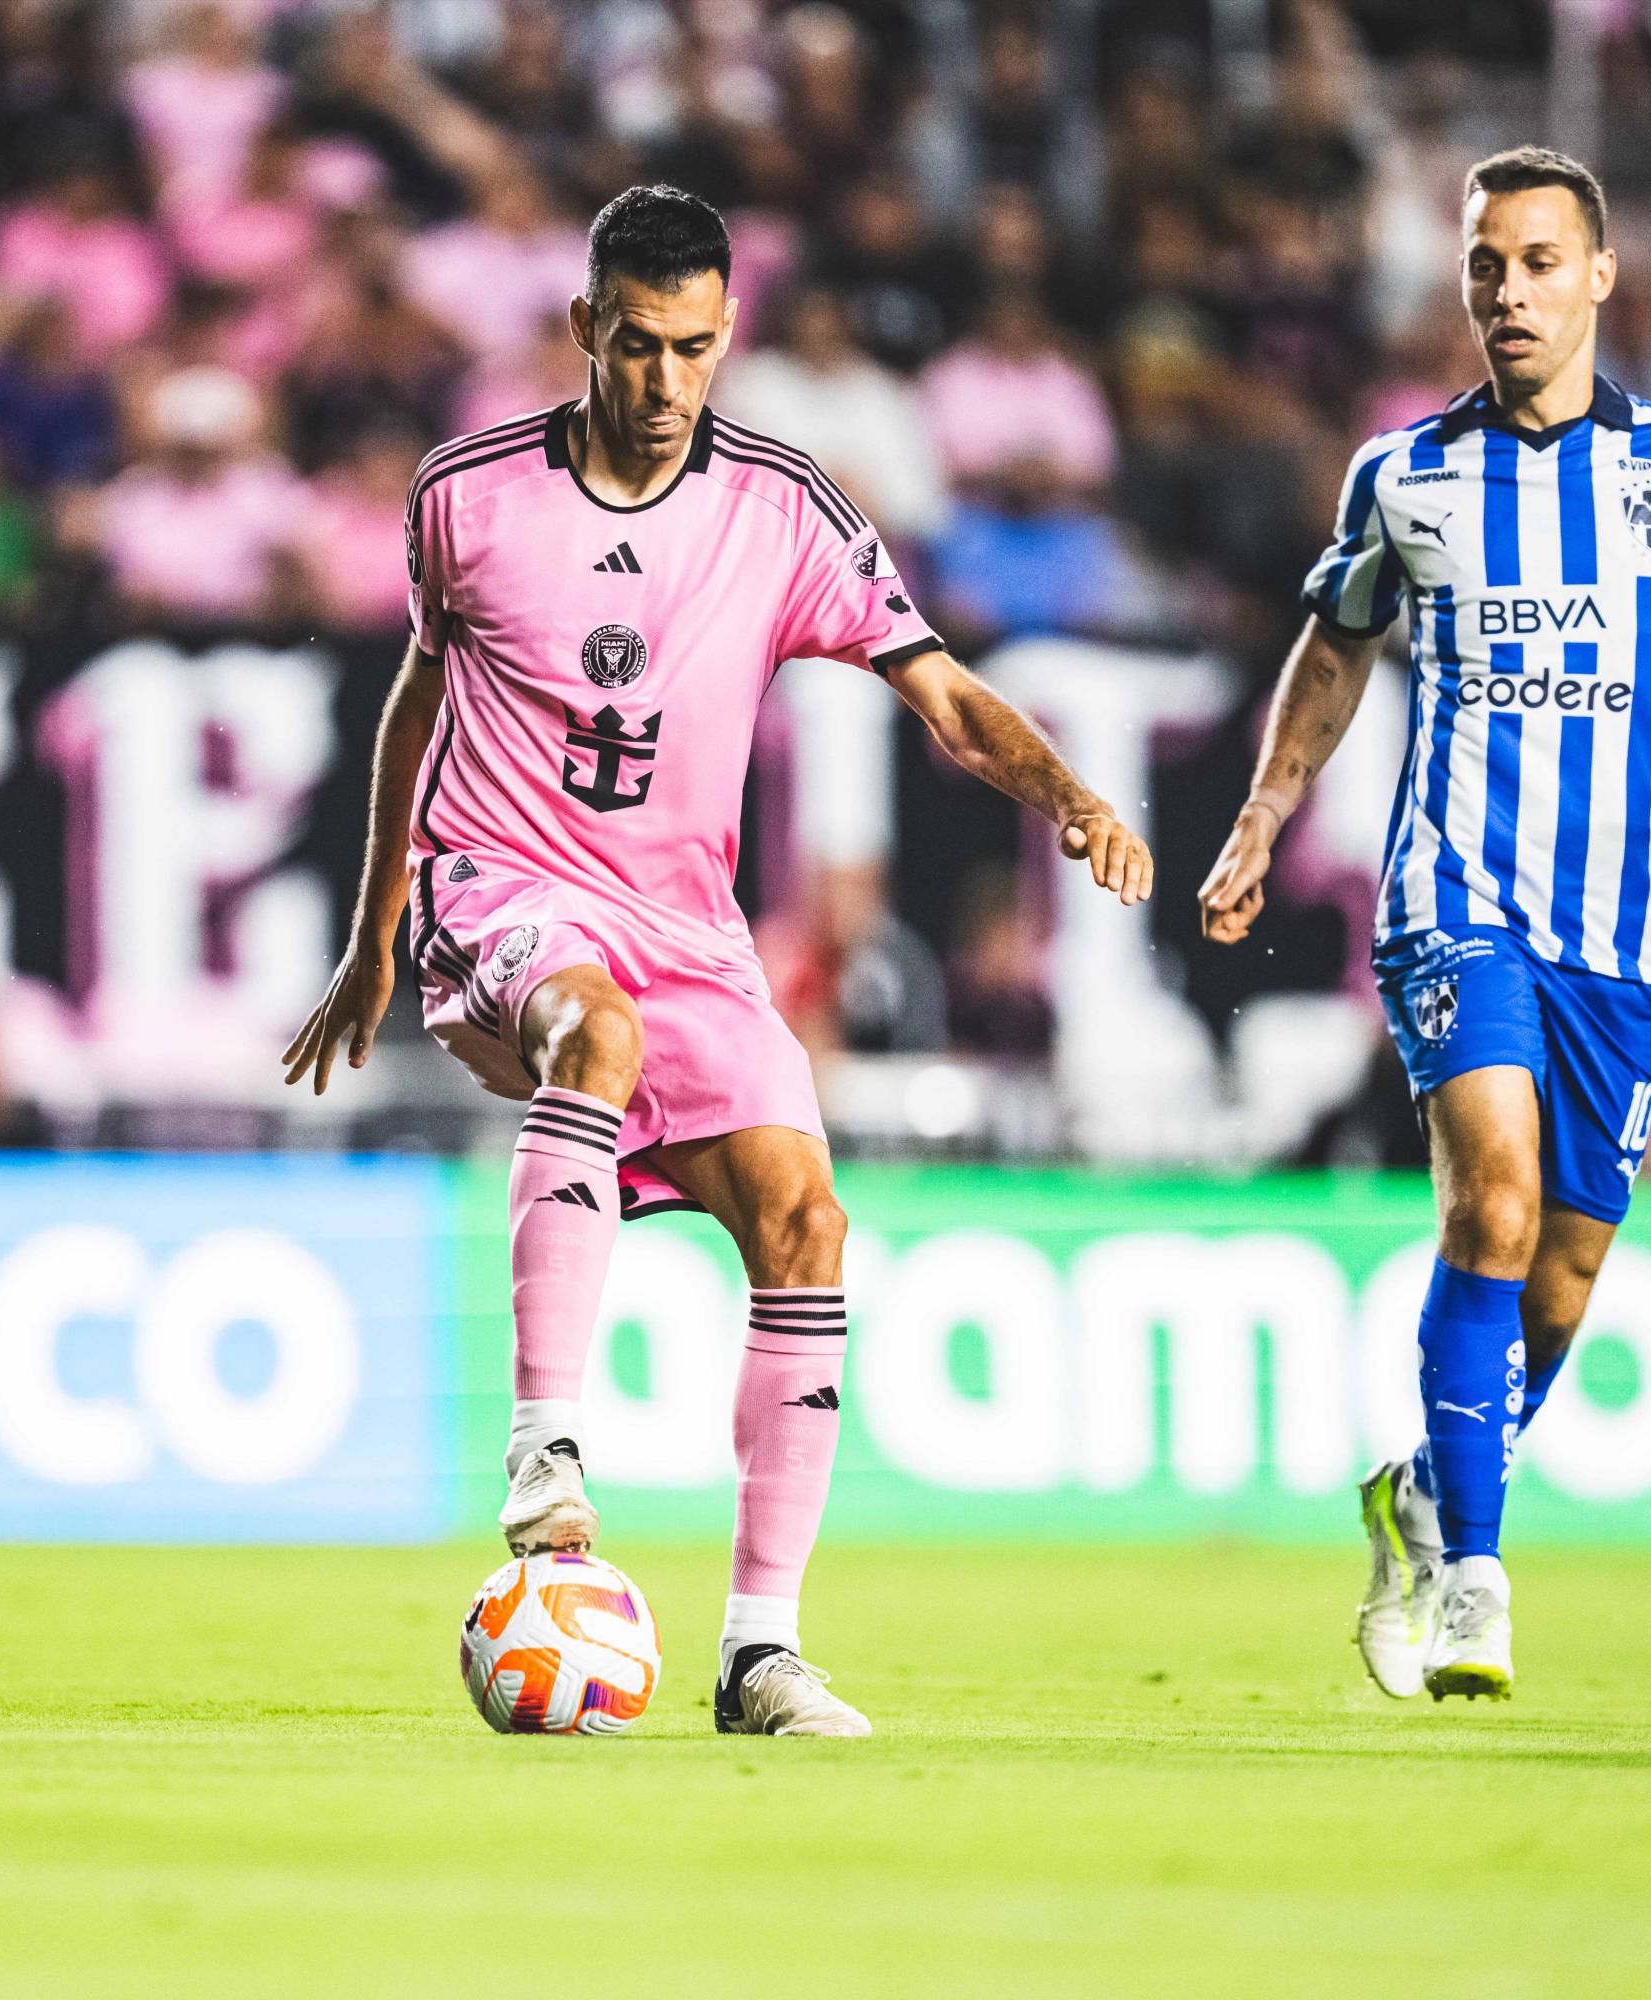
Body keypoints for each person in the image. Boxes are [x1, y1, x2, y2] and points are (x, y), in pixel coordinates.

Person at [283, 185, 1152, 1737]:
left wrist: (1072, 795)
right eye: (635, 344)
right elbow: (421, 700)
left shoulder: (784, 506)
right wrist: (374, 929)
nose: (665, 380)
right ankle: (545, 1447)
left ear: (728, 331)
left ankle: (760, 1654)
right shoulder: (467, 494)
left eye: (692, 347)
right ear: (585, 328)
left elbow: (943, 695)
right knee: (593, 1036)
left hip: (687, 928)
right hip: (503, 884)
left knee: (807, 1218)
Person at [1197, 147, 1651, 1702]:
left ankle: (1425, 1496)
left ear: (1601, 278)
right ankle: (1474, 1587)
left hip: (1624, 940)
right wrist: (1268, 808)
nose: (1509, 291)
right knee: (1490, 1205)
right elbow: (1335, 650)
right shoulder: (1404, 476)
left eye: (1541, 262)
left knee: (1559, 1281)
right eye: (1487, 263)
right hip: (1458, 901)